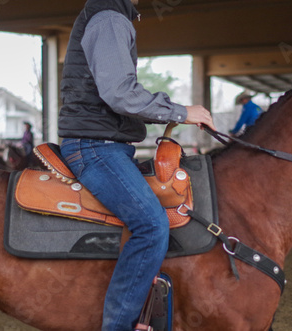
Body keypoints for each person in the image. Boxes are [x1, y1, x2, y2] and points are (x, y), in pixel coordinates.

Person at [57, 0, 216, 330]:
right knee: (152, 224)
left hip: (105, 144)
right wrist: (181, 112)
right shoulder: (110, 19)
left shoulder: (109, 16)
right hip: (96, 148)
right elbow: (119, 93)